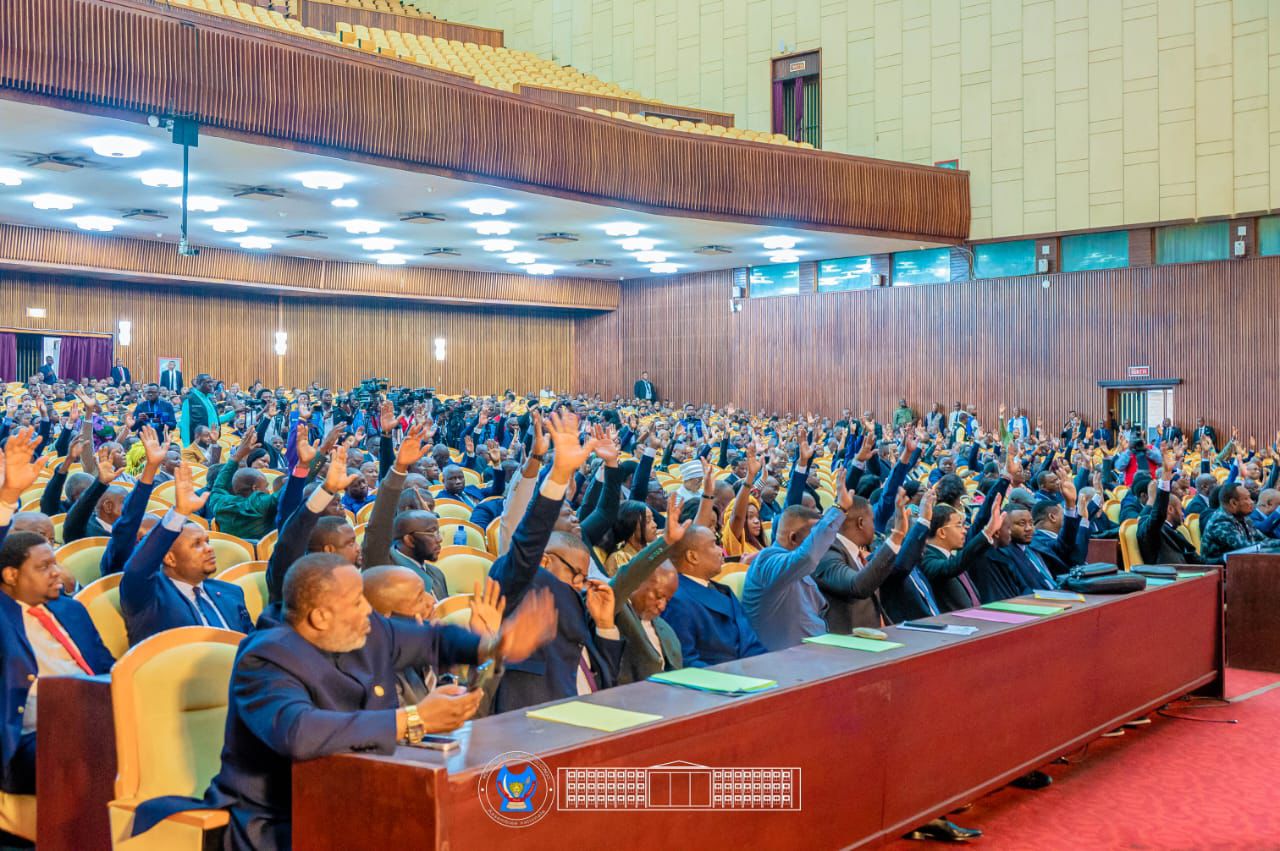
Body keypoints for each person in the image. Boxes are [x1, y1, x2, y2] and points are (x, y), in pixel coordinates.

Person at [131, 551, 558, 850]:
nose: (367, 612)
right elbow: (299, 733)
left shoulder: (368, 632)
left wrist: (494, 645)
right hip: (282, 819)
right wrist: (414, 718)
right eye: (356, 603)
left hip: (368, 794)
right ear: (319, 617)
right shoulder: (266, 659)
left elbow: (435, 639)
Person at [488, 410, 623, 712]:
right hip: (537, 720)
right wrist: (559, 471)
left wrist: (604, 626)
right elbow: (527, 537)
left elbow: (606, 676)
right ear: (545, 562)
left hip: (594, 716)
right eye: (576, 574)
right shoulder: (519, 578)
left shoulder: (580, 586)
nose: (581, 583)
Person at [0, 531, 115, 795]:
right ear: (11, 575)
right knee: (93, 750)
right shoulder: (4, 619)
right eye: (43, 567)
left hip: (93, 717)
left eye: (55, 564)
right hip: (29, 738)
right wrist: (5, 502)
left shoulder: (70, 610)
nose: (56, 573)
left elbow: (107, 667)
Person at [120, 464, 254, 645]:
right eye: (196, 545)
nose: (209, 548)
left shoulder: (231, 592)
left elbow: (252, 645)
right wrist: (179, 513)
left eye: (207, 541)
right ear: (169, 558)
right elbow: (136, 569)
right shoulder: (149, 597)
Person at [741, 476, 853, 651]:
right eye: (814, 535)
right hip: (784, 664)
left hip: (818, 653)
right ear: (793, 538)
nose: (824, 542)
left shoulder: (794, 565)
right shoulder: (767, 562)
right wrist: (839, 509)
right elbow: (806, 556)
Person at [607, 492, 687, 684]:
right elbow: (625, 579)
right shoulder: (619, 613)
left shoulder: (663, 627)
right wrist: (666, 541)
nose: (662, 606)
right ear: (636, 585)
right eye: (658, 596)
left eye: (667, 600)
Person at [661, 524, 767, 666]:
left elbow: (750, 641)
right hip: (720, 680)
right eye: (714, 545)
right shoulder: (677, 600)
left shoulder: (722, 590)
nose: (720, 551)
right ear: (692, 556)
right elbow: (684, 661)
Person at [1137, 452, 1207, 565]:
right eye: (1180, 509)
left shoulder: (1178, 532)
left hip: (1188, 575)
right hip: (1166, 578)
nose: (1183, 514)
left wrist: (1225, 560)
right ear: (1169, 509)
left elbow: (1197, 560)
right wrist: (1165, 478)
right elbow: (1157, 515)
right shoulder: (1152, 530)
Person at [1201, 481, 1274, 563]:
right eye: (1247, 498)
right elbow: (1246, 548)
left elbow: (1263, 539)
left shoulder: (1244, 517)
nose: (1252, 502)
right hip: (1220, 570)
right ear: (1233, 503)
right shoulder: (1220, 522)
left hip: (1241, 565)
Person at [180, 373, 236, 445]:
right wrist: (187, 446)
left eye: (211, 382)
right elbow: (184, 425)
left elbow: (217, 421)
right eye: (207, 382)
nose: (211, 384)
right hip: (197, 444)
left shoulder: (210, 399)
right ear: (198, 383)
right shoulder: (190, 399)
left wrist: (235, 412)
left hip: (212, 442)